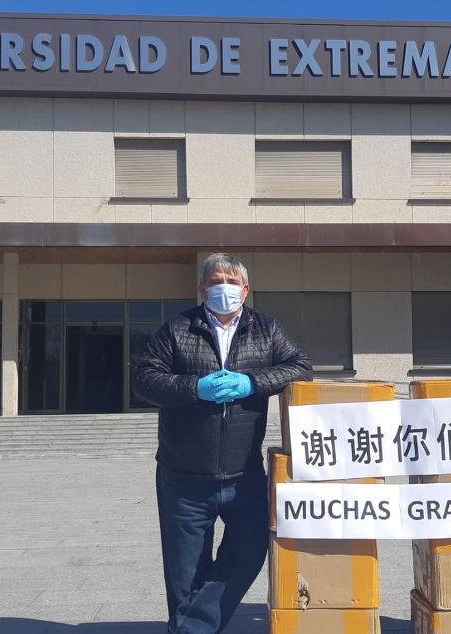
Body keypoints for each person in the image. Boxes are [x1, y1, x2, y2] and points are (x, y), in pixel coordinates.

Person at [132, 252, 312, 634]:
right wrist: (194, 387)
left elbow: (300, 368)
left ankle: (191, 628)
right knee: (185, 573)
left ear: (245, 290)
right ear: (202, 288)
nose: (224, 288)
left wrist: (253, 382)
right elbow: (144, 379)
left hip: (243, 473)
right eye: (216, 282)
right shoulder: (177, 329)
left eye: (232, 282)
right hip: (183, 476)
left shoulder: (266, 329)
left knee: (248, 553)